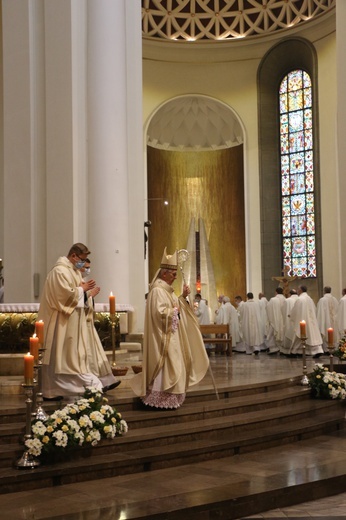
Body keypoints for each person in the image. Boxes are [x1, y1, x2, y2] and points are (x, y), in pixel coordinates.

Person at [130, 247, 209, 409]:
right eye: (173, 275)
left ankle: (170, 397)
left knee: (174, 364)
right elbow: (159, 313)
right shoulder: (157, 291)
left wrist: (182, 297)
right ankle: (158, 399)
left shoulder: (167, 291)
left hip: (172, 336)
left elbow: (175, 307)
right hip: (163, 339)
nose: (175, 277)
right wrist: (174, 311)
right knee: (165, 366)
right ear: (164, 273)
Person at [39, 243, 120, 400]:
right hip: (60, 323)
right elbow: (62, 296)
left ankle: (56, 390)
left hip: (71, 322)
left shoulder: (73, 271)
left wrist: (87, 294)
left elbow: (78, 296)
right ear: (74, 256)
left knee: (68, 356)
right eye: (82, 259)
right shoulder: (60, 271)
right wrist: (83, 290)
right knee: (60, 356)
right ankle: (52, 390)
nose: (83, 263)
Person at [290, 285, 323, 358]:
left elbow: (295, 310)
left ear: (301, 290)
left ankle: (295, 352)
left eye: (298, 289)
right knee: (312, 335)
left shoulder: (300, 299)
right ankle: (317, 350)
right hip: (311, 320)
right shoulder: (309, 299)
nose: (297, 291)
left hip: (303, 320)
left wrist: (291, 315)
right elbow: (314, 309)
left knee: (301, 335)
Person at [316, 286, 339, 352]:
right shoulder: (335, 299)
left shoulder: (322, 300)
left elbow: (319, 312)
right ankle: (334, 349)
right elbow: (337, 310)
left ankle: (326, 350)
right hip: (334, 321)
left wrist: (319, 321)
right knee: (334, 333)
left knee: (325, 332)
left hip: (325, 321)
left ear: (324, 291)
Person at [266, 287, 286, 355]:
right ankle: (282, 348)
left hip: (274, 320)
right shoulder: (285, 299)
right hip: (283, 320)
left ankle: (274, 349)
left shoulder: (273, 300)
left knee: (272, 334)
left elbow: (268, 308)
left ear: (276, 292)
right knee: (283, 333)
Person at [282, 289, 299, 355]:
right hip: (298, 321)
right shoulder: (300, 299)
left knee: (289, 334)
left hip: (289, 321)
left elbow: (283, 311)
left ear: (290, 294)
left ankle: (288, 349)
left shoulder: (287, 300)